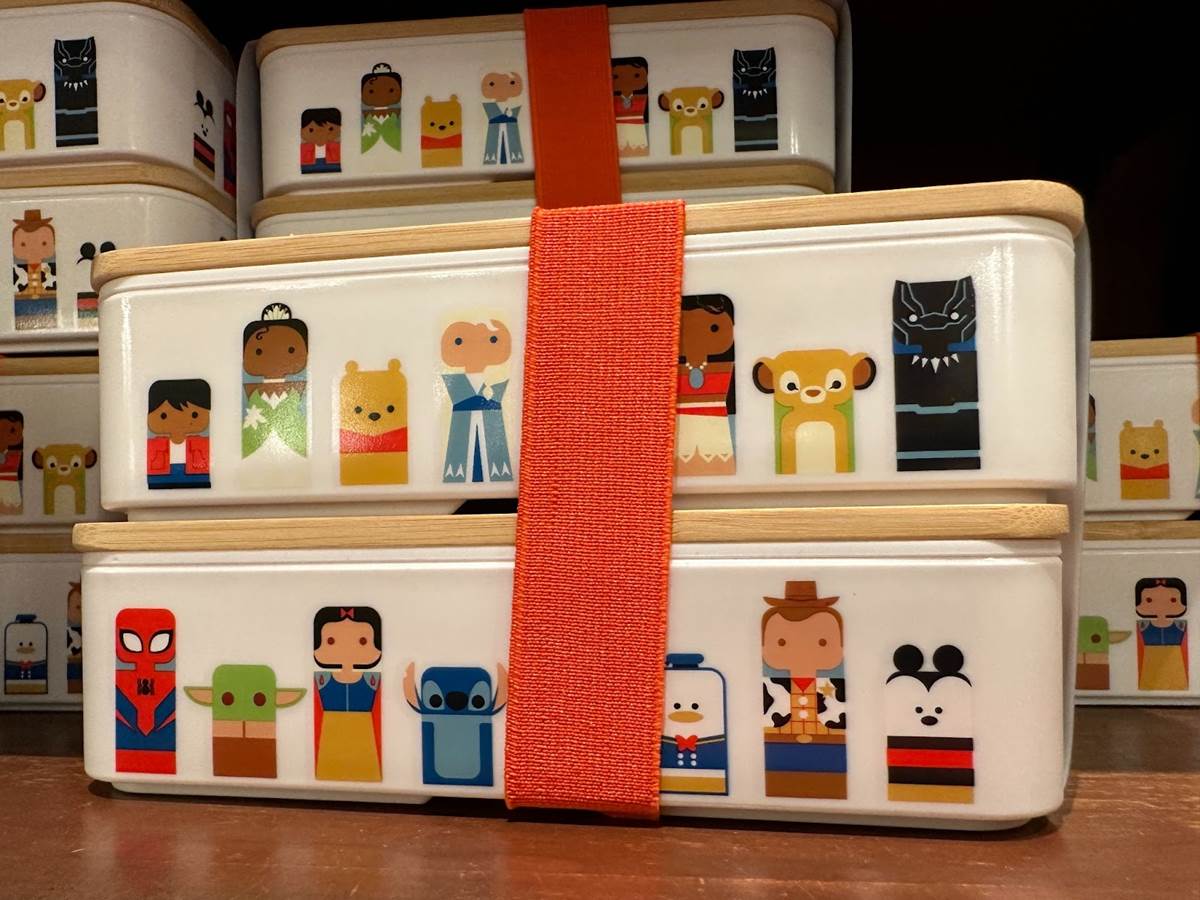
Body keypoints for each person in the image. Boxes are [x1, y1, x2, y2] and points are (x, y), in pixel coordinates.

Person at [313, 606, 383, 782]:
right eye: (331, 641)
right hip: (331, 734)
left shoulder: (372, 680)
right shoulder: (321, 680)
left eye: (362, 641)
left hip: (363, 734)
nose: (346, 649)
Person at [146, 379, 211, 489]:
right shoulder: (156, 443)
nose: (178, 422)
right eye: (163, 416)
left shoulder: (200, 442)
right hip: (159, 478)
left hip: (197, 477)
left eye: (194, 415)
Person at [1135, 577, 1189, 691]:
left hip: (1174, 661)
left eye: (1173, 600)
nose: (1160, 606)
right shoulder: (1143, 625)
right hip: (1151, 661)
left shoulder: (1181, 625)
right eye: (1149, 600)